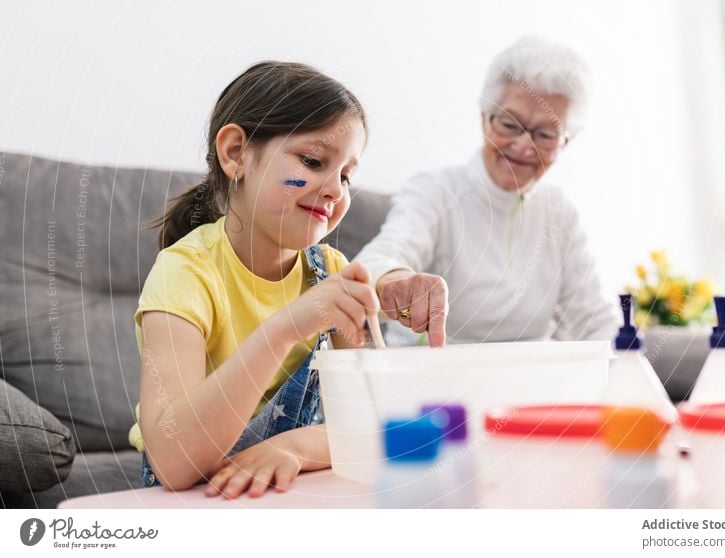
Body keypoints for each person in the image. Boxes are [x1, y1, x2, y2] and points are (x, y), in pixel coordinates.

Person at [129, 61, 378, 499]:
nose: (336, 189)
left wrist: (297, 447)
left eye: (346, 175)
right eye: (314, 161)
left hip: (299, 492)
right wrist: (285, 328)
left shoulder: (333, 272)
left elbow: (380, 420)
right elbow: (173, 461)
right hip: (198, 501)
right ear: (236, 153)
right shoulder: (184, 273)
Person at [357, 36, 617, 345]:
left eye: (546, 134)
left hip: (531, 384)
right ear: (484, 119)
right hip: (434, 382)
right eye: (509, 124)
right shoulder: (436, 191)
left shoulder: (558, 211)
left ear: (565, 143)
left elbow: (597, 320)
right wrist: (393, 280)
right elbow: (375, 263)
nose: (523, 146)